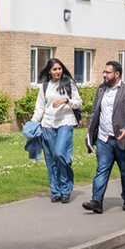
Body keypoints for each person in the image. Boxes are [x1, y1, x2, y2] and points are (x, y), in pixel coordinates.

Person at [83, 61, 125, 214]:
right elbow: (96, 112)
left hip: (121, 139)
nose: (104, 75)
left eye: (107, 72)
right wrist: (90, 132)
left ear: (117, 74)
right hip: (104, 139)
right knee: (102, 169)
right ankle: (97, 201)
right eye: (103, 72)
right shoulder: (101, 89)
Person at [32, 58, 82, 204]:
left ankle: (66, 188)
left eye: (59, 68)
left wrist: (66, 100)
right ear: (49, 71)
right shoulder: (45, 86)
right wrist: (33, 124)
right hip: (47, 124)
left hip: (65, 122)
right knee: (51, 159)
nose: (58, 71)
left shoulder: (68, 83)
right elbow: (40, 107)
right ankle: (56, 191)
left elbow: (78, 102)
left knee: (61, 154)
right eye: (54, 69)